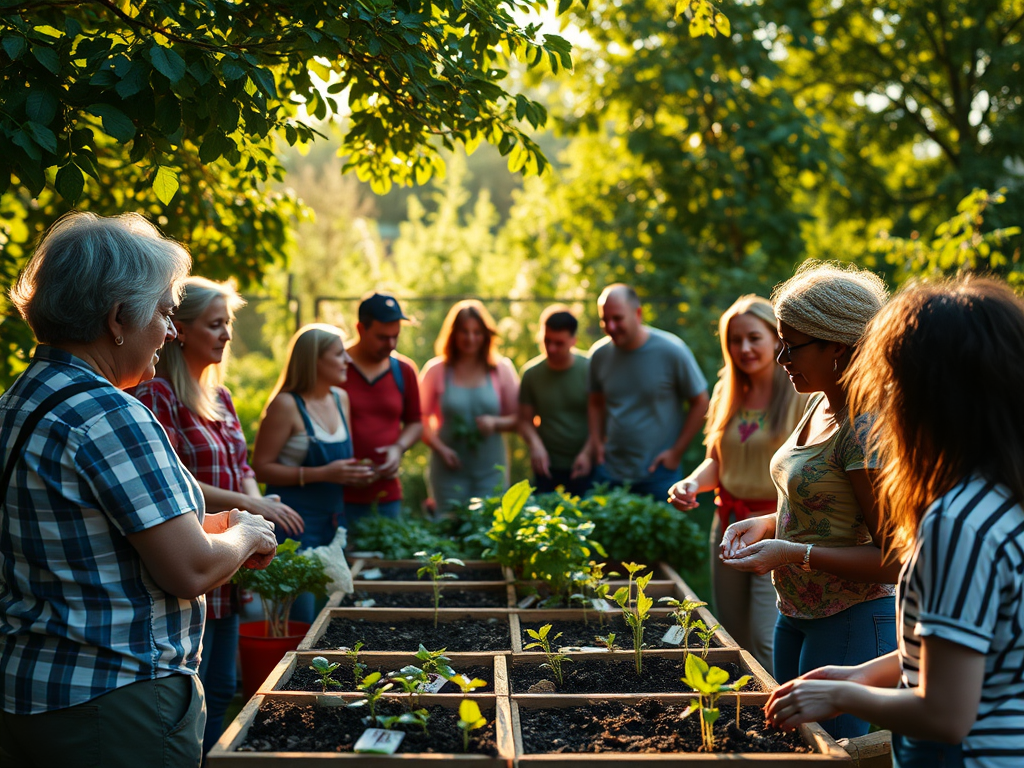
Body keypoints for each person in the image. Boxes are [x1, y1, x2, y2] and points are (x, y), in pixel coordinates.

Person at [0, 212, 277, 767]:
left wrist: (203, 531)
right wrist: (245, 532)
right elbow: (191, 570)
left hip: (27, 693)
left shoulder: (17, 403)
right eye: (164, 313)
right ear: (118, 318)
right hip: (114, 702)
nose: (170, 332)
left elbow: (84, 546)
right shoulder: (111, 414)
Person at [766, 276, 1024, 768]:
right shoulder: (997, 498)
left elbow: (945, 714)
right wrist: (862, 675)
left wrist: (846, 697)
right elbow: (966, 646)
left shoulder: (957, 523)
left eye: (889, 376)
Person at [719, 261, 900, 739]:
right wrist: (766, 523)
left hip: (850, 620)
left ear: (837, 345)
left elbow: (895, 559)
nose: (781, 358)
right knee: (799, 741)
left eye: (791, 345)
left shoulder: (864, 430)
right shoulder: (819, 400)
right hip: (798, 611)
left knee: (833, 748)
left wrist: (792, 553)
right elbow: (825, 508)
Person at [131, 276, 302, 757]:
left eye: (228, 323)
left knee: (224, 688)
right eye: (215, 324)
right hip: (193, 554)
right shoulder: (159, 395)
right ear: (179, 330)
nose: (226, 334)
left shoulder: (222, 399)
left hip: (229, 562)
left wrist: (261, 519)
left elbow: (244, 468)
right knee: (193, 697)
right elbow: (176, 481)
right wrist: (252, 507)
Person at [668, 296, 807, 673]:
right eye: (735, 340)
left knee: (765, 636)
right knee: (730, 632)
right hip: (728, 524)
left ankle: (782, 718)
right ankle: (741, 713)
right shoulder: (725, 390)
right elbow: (717, 459)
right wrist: (691, 483)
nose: (744, 348)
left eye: (754, 338)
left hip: (774, 526)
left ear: (777, 339)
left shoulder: (799, 392)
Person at [252, 323, 375, 622]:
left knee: (329, 613)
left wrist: (359, 473)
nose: (348, 360)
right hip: (293, 528)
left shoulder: (340, 399)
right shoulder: (286, 405)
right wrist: (321, 474)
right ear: (314, 360)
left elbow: (337, 466)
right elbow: (260, 468)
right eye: (339, 354)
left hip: (333, 524)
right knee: (300, 616)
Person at [585, 283, 709, 499]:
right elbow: (595, 401)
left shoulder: (672, 350)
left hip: (659, 474)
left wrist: (676, 452)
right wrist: (596, 442)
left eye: (617, 318)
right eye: (605, 320)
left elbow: (700, 401)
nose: (610, 326)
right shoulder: (599, 355)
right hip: (610, 470)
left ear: (638, 313)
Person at [419, 300, 520, 510]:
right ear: (453, 334)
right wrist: (441, 449)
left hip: (491, 470)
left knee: (488, 529)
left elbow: (519, 418)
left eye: (477, 332)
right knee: (448, 528)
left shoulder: (501, 369)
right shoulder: (436, 370)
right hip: (448, 470)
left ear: (486, 335)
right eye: (464, 331)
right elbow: (419, 419)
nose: (470, 338)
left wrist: (495, 422)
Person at [341, 293, 423, 530]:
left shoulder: (404, 370)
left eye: (395, 337)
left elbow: (416, 422)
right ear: (360, 328)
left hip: (387, 496)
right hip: (337, 496)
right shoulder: (335, 365)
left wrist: (399, 447)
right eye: (381, 337)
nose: (390, 345)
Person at [518, 305, 594, 496]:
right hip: (546, 467)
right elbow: (524, 421)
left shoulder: (590, 369)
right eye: (547, 340)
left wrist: (588, 453)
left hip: (585, 465)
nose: (551, 348)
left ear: (573, 341)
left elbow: (602, 420)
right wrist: (535, 445)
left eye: (559, 343)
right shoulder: (531, 374)